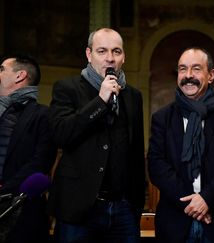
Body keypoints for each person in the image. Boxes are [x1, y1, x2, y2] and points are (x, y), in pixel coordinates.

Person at [48, 27, 146, 243]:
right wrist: (100, 101)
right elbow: (61, 134)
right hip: (79, 207)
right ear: (88, 54)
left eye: (116, 52)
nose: (110, 58)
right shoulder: (67, 88)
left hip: (123, 209)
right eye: (102, 51)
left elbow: (136, 151)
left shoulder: (133, 96)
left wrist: (137, 203)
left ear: (124, 57)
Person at [147, 47, 214, 243]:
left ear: (211, 75)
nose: (188, 76)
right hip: (175, 222)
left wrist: (207, 199)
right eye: (183, 69)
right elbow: (156, 165)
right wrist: (193, 204)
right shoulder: (162, 118)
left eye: (196, 69)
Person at [0, 54, 56, 243]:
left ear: (20, 76)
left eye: (1, 69)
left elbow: (40, 163)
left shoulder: (44, 116)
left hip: (20, 218)